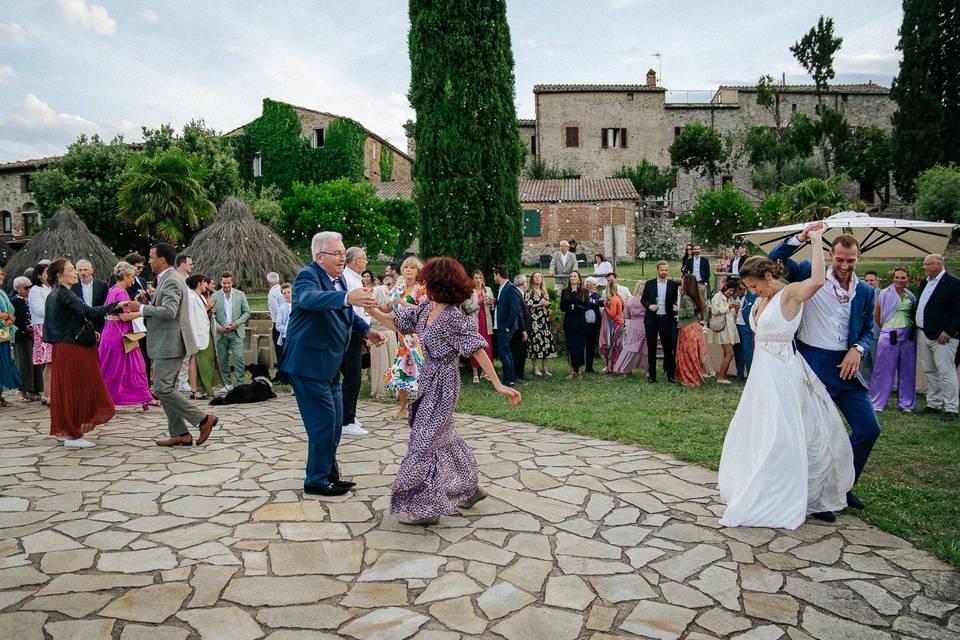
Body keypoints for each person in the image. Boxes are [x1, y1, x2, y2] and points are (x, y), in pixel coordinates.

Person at [367, 257, 521, 524]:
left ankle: (427, 509)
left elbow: (477, 349)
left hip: (444, 384)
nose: (423, 282)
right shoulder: (426, 307)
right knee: (445, 438)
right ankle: (470, 489)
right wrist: (372, 311)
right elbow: (399, 324)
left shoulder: (453, 318)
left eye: (428, 279)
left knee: (423, 442)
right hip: (426, 379)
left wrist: (497, 384)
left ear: (439, 283)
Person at [720, 231, 856, 528]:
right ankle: (765, 485)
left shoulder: (790, 293)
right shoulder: (760, 300)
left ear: (769, 276)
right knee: (762, 431)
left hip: (784, 372)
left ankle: (804, 494)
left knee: (788, 433)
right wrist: (800, 236)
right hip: (762, 374)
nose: (752, 292)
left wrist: (817, 240)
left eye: (754, 285)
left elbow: (819, 280)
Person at [769, 220, 880, 510]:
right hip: (813, 364)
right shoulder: (809, 271)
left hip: (848, 368)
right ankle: (813, 495)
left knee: (869, 429)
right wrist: (801, 237)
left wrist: (858, 348)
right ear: (831, 255)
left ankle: (844, 486)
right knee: (816, 437)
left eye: (851, 260)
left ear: (859, 258)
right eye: (840, 259)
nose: (845, 265)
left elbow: (868, 329)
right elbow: (772, 262)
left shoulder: (867, 291)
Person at [278, 231, 383, 497]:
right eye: (336, 253)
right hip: (308, 365)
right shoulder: (307, 276)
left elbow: (346, 313)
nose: (342, 257)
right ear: (319, 256)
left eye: (343, 252)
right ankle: (315, 480)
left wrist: (366, 331)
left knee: (335, 422)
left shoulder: (338, 280)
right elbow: (308, 300)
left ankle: (329, 476)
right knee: (323, 423)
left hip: (328, 365)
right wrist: (348, 298)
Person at [127, 243, 219, 447]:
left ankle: (203, 419)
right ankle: (180, 433)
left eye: (151, 257)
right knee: (166, 387)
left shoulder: (171, 280)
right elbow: (168, 307)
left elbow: (169, 311)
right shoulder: (168, 279)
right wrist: (150, 302)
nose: (149, 261)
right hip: (167, 342)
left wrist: (141, 308)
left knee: (162, 388)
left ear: (162, 260)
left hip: (170, 342)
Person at [43, 258, 129, 447]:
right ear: (60, 274)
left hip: (66, 345)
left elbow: (73, 319)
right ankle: (73, 433)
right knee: (76, 387)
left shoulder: (57, 293)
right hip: (71, 347)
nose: (75, 273)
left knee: (71, 387)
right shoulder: (64, 294)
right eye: (71, 269)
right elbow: (88, 312)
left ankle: (71, 430)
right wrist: (115, 305)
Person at [98, 262, 156, 410]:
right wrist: (145, 310)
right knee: (135, 366)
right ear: (124, 276)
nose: (132, 280)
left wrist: (136, 304)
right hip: (120, 335)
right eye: (131, 277)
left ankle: (109, 398)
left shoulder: (112, 290)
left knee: (112, 367)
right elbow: (124, 317)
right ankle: (142, 397)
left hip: (111, 332)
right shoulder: (121, 292)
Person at [913, 254, 960, 420]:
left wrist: (949, 331)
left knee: (946, 372)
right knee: (929, 370)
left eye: (927, 264)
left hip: (943, 337)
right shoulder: (926, 282)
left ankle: (951, 408)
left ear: (939, 264)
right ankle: (934, 403)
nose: (924, 267)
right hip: (923, 332)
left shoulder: (953, 283)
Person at [869, 268, 917, 412]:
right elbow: (876, 315)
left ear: (907, 279)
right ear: (893, 278)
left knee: (908, 369)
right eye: (897, 277)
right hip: (890, 333)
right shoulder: (884, 294)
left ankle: (906, 403)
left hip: (908, 334)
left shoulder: (911, 296)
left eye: (903, 278)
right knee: (883, 369)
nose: (899, 280)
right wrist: (886, 328)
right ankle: (877, 402)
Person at [385, 257, 426, 419]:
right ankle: (403, 407)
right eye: (406, 267)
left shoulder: (421, 289)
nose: (408, 270)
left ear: (418, 271)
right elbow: (389, 306)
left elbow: (423, 310)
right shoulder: (399, 287)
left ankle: (420, 409)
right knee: (401, 370)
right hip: (401, 336)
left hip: (416, 337)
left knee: (419, 371)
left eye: (412, 268)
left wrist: (402, 302)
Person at [340, 247, 371, 436]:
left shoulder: (354, 278)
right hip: (351, 330)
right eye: (364, 258)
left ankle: (348, 413)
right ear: (357, 261)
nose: (366, 261)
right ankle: (346, 419)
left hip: (356, 330)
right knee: (353, 376)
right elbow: (353, 309)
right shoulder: (349, 279)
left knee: (351, 374)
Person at [640, 261, 679, 383]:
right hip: (652, 319)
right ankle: (652, 375)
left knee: (668, 348)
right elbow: (643, 299)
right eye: (662, 270)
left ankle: (670, 374)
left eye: (666, 270)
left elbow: (675, 301)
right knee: (651, 348)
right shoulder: (650, 283)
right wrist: (649, 306)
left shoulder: (673, 284)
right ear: (657, 270)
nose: (664, 272)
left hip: (666, 319)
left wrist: (676, 307)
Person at [212, 272, 250, 392]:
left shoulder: (240, 295)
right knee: (222, 359)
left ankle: (240, 384)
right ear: (220, 282)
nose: (226, 285)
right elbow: (211, 315)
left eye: (228, 283)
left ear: (232, 282)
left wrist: (237, 323)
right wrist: (218, 327)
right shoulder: (214, 296)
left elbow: (246, 312)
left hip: (236, 331)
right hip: (221, 333)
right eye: (224, 283)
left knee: (238, 357)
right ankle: (227, 383)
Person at [186, 274, 220, 400]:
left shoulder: (200, 296)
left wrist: (209, 309)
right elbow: (191, 318)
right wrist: (194, 338)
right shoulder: (191, 298)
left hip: (205, 333)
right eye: (204, 282)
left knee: (205, 361)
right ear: (199, 283)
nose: (206, 285)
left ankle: (202, 388)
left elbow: (201, 313)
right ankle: (194, 389)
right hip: (198, 335)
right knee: (196, 360)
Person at [460, 270, 494, 384]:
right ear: (472, 280)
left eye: (480, 277)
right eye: (475, 278)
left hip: (486, 322)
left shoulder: (488, 290)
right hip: (475, 323)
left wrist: (491, 303)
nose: (478, 280)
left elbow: (492, 307)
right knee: (475, 347)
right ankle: (475, 373)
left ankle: (484, 372)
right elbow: (467, 308)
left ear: (482, 279)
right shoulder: (469, 291)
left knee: (487, 347)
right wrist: (479, 302)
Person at [11, 276, 42, 402]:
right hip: (22, 336)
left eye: (30, 287)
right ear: (18, 289)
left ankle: (34, 389)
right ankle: (22, 390)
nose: (29, 289)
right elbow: (15, 319)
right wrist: (24, 329)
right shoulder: (16, 301)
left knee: (35, 363)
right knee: (24, 364)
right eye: (26, 287)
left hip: (34, 335)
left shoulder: (29, 299)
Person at [124, 252, 153, 384]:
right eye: (138, 267)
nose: (141, 270)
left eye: (142, 267)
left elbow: (144, 301)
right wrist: (135, 299)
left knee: (145, 356)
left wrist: (148, 296)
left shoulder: (141, 281)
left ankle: (145, 385)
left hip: (142, 323)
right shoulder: (120, 281)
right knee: (131, 357)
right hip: (129, 324)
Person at [369, 274, 399, 398]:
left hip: (389, 333)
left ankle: (389, 387)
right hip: (382, 334)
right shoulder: (378, 301)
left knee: (391, 361)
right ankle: (383, 389)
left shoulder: (392, 301)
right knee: (381, 362)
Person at [492, 265, 521, 387]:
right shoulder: (502, 288)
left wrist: (509, 326)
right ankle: (510, 379)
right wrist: (495, 302)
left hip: (505, 327)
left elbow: (515, 308)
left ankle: (507, 381)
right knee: (506, 352)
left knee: (504, 352)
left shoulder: (510, 288)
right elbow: (505, 305)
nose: (494, 277)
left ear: (498, 274)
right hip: (500, 326)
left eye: (494, 274)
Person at [675, 275, 707, 387]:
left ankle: (689, 378)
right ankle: (696, 376)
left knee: (687, 354)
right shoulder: (696, 296)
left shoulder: (686, 297)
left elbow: (689, 313)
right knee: (694, 353)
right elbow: (703, 309)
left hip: (688, 327)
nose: (682, 283)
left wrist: (678, 310)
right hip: (696, 327)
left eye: (683, 281)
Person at [28, 262, 53, 404]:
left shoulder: (51, 288)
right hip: (42, 327)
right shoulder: (36, 290)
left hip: (54, 326)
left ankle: (50, 392)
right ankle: (47, 393)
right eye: (46, 272)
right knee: (49, 361)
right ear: (39, 275)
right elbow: (39, 310)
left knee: (54, 362)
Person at [707, 281, 740, 384]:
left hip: (730, 328)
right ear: (725, 288)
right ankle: (721, 377)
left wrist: (736, 309)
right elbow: (714, 311)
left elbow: (733, 316)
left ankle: (722, 376)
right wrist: (728, 307)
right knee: (730, 354)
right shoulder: (717, 297)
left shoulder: (731, 299)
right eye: (730, 290)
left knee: (727, 353)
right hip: (722, 329)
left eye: (733, 291)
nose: (731, 293)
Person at [612, 280, 648, 375]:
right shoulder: (647, 300)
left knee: (630, 346)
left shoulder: (630, 300)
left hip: (633, 324)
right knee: (646, 347)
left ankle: (624, 368)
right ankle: (647, 369)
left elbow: (626, 315)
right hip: (645, 324)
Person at [525, 271, 556, 376]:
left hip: (544, 321)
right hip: (534, 321)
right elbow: (527, 306)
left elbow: (547, 305)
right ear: (532, 279)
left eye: (539, 277)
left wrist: (547, 306)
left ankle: (545, 367)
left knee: (545, 343)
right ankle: (535, 367)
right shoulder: (529, 292)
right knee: (535, 343)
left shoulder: (544, 291)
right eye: (535, 277)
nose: (538, 278)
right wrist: (539, 304)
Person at [560, 270, 590, 379]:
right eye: (571, 276)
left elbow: (587, 306)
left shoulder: (584, 291)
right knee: (571, 347)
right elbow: (562, 307)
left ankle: (580, 371)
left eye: (574, 276)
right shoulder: (565, 291)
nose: (572, 278)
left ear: (579, 279)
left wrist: (575, 307)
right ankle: (572, 371)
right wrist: (570, 307)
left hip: (581, 322)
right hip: (569, 323)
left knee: (580, 347)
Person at [0, 267, 23, 406]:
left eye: (2, 274)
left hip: (4, 333)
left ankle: (0, 395)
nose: (1, 276)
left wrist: (11, 318)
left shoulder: (2, 292)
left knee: (4, 364)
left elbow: (9, 310)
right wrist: (8, 316)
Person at [71, 259, 109, 333]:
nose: (83, 273)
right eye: (80, 270)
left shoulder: (102, 285)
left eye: (85, 270)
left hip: (98, 322)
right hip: (79, 324)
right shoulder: (72, 286)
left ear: (91, 270)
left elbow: (105, 303)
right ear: (76, 271)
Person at [598, 281, 625, 374]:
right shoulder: (619, 298)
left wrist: (605, 307)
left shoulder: (613, 299)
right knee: (616, 346)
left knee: (613, 347)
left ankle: (614, 368)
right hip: (620, 324)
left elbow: (612, 314)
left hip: (615, 325)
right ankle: (612, 367)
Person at [266, 271, 287, 383]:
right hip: (289, 323)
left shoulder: (272, 293)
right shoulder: (284, 290)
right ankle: (284, 374)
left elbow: (276, 310)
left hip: (278, 324)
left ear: (268, 282)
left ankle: (283, 377)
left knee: (280, 351)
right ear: (279, 280)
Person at [733, 281, 757, 380]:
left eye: (740, 290)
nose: (738, 292)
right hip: (736, 326)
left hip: (746, 326)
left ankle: (750, 375)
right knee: (737, 351)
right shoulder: (734, 297)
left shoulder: (751, 297)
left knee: (748, 351)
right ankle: (739, 374)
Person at [511, 274, 532, 382]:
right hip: (520, 330)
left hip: (524, 329)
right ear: (523, 283)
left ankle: (520, 373)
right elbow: (519, 314)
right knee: (517, 352)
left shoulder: (520, 294)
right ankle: (514, 375)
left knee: (522, 352)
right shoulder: (516, 294)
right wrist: (523, 330)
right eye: (526, 281)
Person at [583, 277, 602, 373]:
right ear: (587, 285)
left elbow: (601, 303)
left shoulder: (596, 295)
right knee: (582, 346)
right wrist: (593, 304)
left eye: (595, 285)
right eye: (593, 285)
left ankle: (589, 367)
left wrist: (591, 303)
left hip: (593, 325)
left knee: (591, 346)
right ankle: (579, 366)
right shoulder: (582, 294)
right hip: (583, 324)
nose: (595, 287)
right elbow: (584, 305)